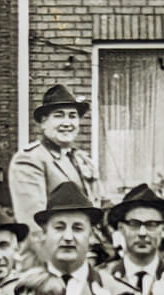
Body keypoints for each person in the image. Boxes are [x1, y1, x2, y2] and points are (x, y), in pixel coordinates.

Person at [0, 182, 134, 295]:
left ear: (91, 236)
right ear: (44, 234)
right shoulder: (10, 294)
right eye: (59, 228)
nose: (68, 237)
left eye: (77, 228)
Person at [9, 85, 99, 244]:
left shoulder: (83, 160)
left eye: (72, 116)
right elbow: (33, 224)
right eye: (59, 116)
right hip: (55, 253)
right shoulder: (30, 160)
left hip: (89, 250)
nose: (67, 123)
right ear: (43, 123)